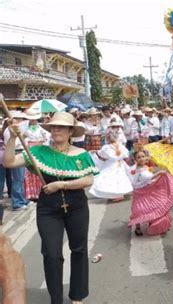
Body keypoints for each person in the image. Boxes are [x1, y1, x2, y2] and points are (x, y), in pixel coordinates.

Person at [4, 112, 98, 304]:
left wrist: (61, 185)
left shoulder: (81, 154)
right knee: (51, 253)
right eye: (54, 126)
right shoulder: (38, 152)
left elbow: (88, 180)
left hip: (77, 206)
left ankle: (77, 295)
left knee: (78, 249)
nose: (56, 129)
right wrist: (13, 138)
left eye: (62, 127)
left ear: (71, 131)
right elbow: (9, 162)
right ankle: (56, 299)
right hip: (48, 208)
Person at [128, 148, 173, 236]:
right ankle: (137, 227)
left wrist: (158, 177)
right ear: (135, 159)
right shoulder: (135, 169)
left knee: (153, 206)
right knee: (138, 210)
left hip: (148, 189)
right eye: (139, 157)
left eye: (143, 157)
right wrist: (158, 173)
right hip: (140, 192)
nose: (141, 159)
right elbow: (144, 179)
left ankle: (152, 220)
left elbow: (148, 178)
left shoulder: (145, 166)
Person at [89, 123, 132, 202]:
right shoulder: (120, 145)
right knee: (120, 178)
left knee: (109, 178)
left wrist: (95, 152)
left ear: (108, 137)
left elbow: (102, 154)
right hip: (120, 164)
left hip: (111, 164)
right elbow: (126, 154)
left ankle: (118, 194)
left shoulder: (107, 147)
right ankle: (119, 193)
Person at [3, 111, 31, 211]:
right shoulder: (8, 131)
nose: (21, 121)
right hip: (15, 153)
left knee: (22, 178)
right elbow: (13, 144)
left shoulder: (18, 128)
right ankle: (17, 203)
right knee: (18, 179)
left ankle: (23, 199)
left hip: (21, 152)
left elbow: (26, 137)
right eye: (19, 118)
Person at [23, 110, 49, 201]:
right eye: (31, 119)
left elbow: (47, 137)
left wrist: (44, 139)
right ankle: (32, 193)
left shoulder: (41, 128)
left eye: (34, 119)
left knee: (41, 169)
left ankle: (40, 191)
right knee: (31, 170)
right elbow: (23, 140)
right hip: (30, 149)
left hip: (41, 149)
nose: (33, 120)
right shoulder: (25, 128)